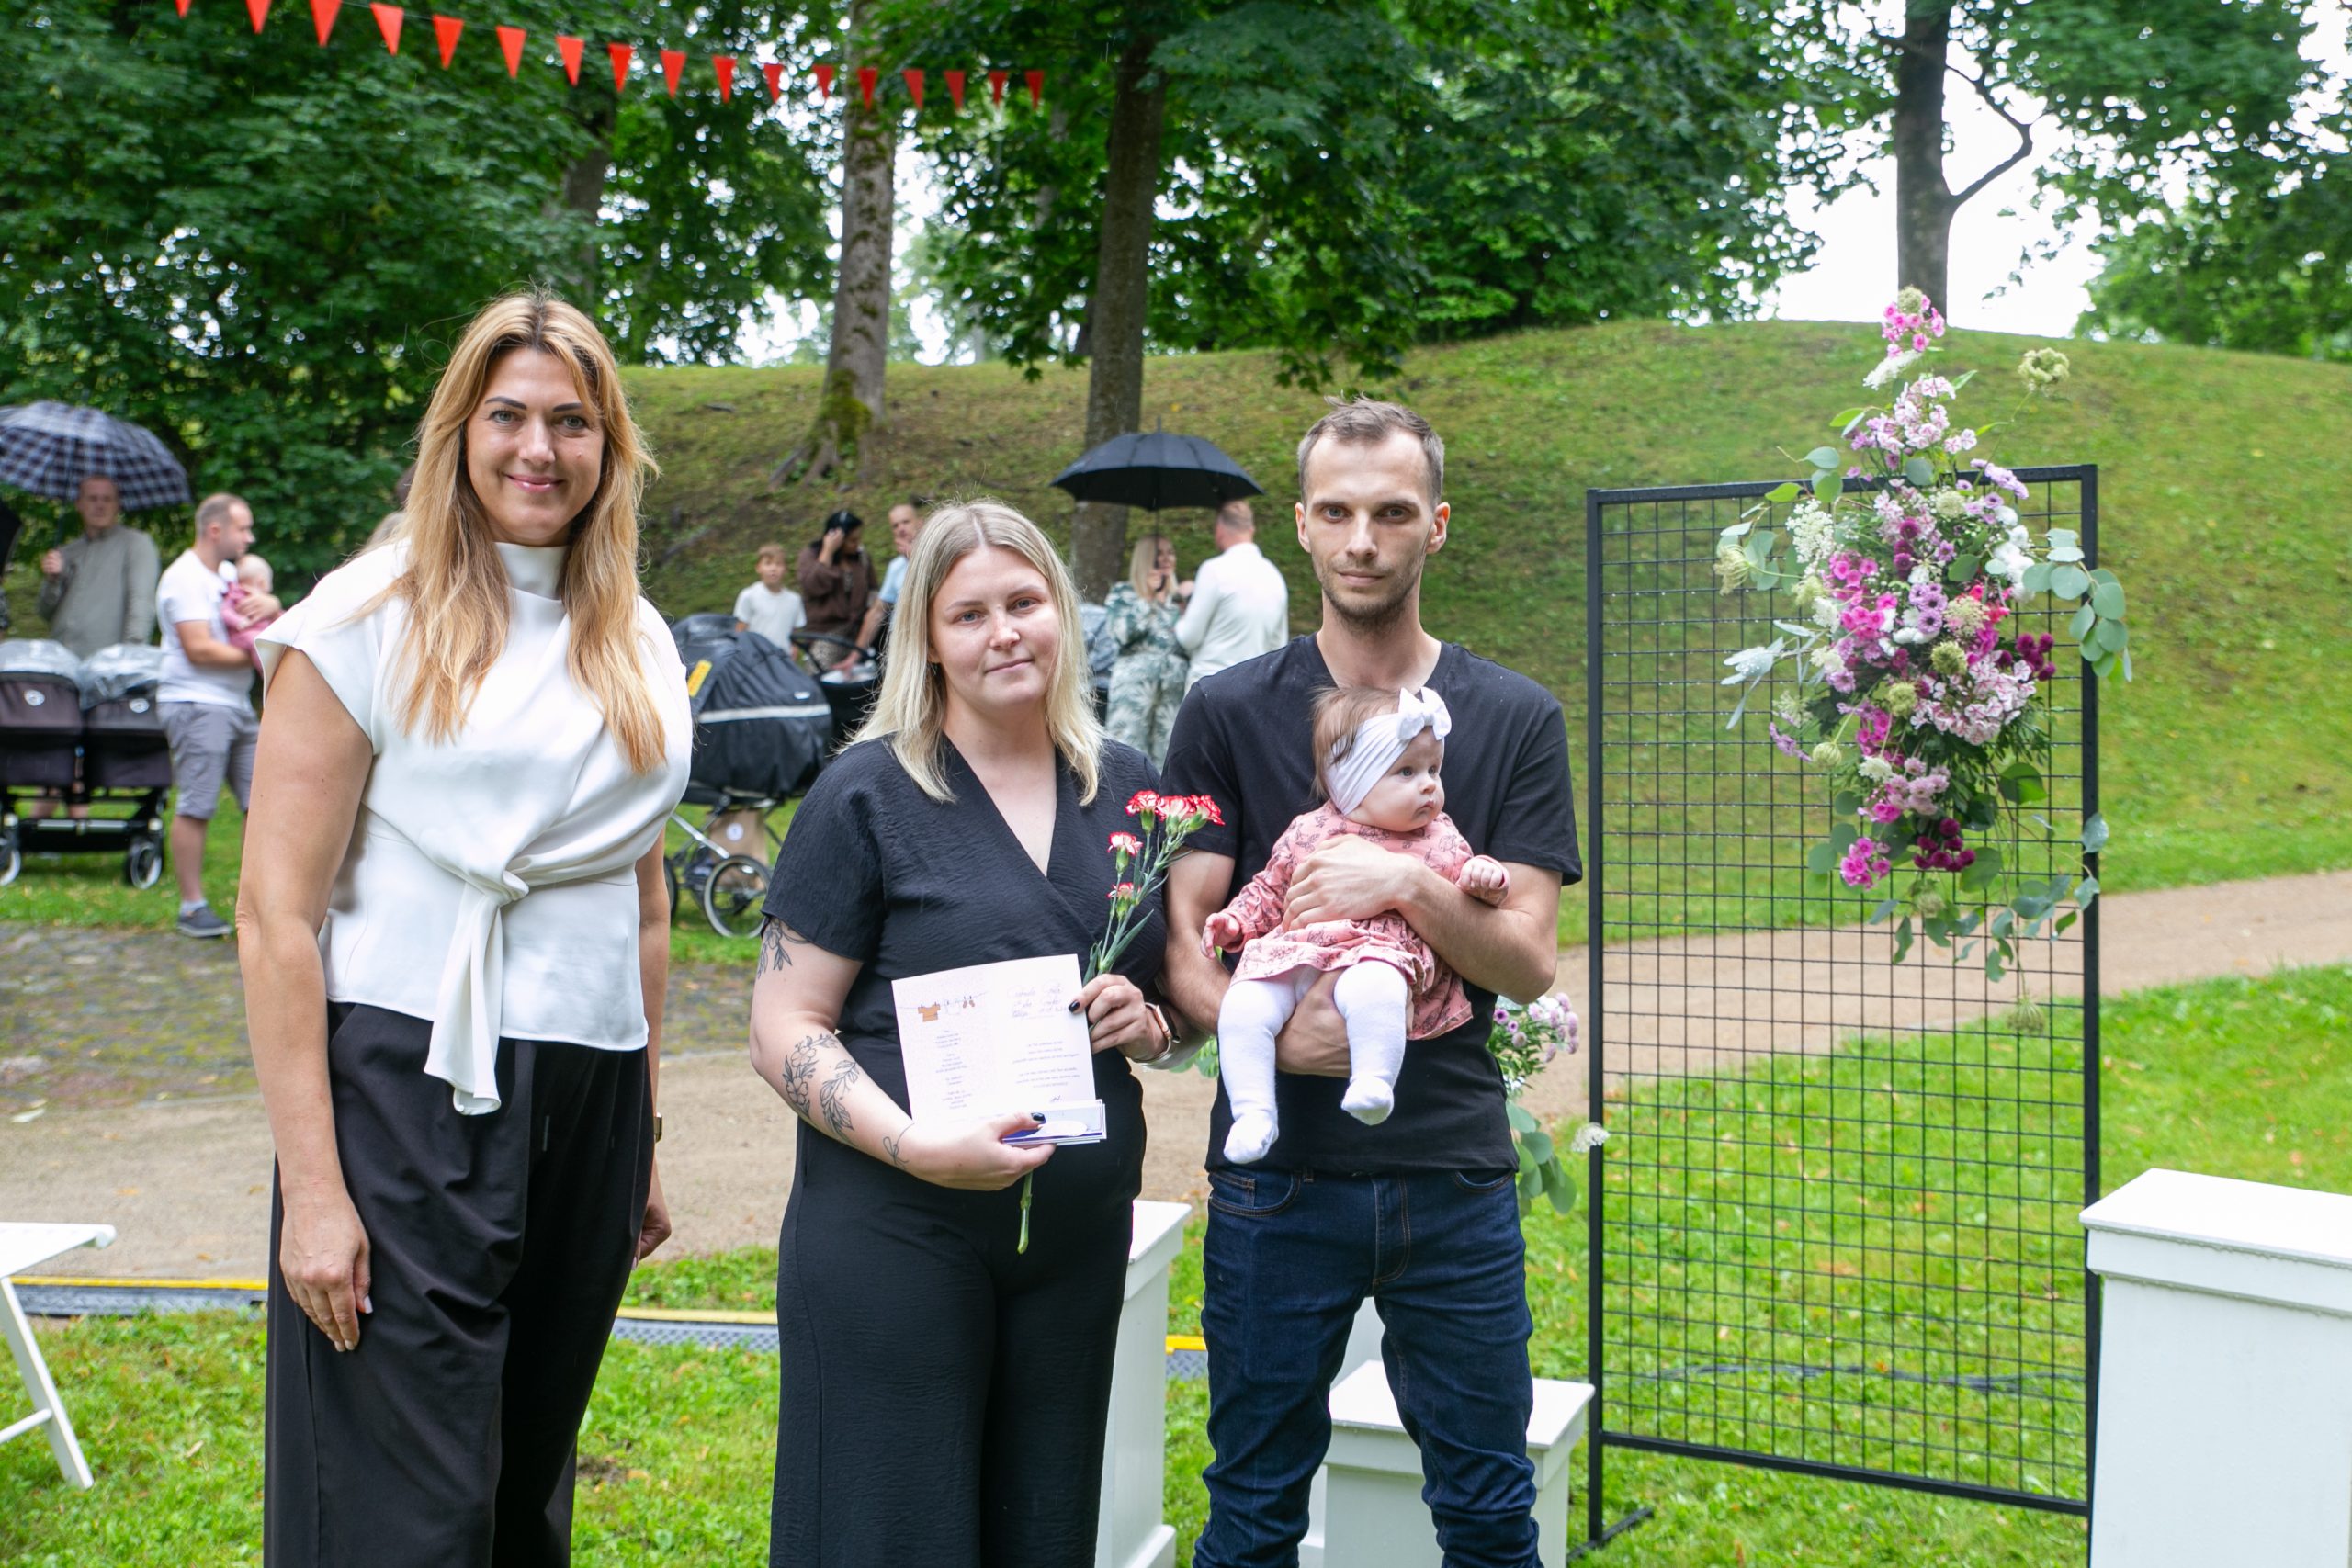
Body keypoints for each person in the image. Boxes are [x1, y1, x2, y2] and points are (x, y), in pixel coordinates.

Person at [237, 292, 690, 1567]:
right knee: (407, 1512)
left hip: (590, 1089)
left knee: (523, 1489)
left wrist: (644, 1135)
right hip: (411, 1082)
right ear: (459, 432)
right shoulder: (362, 619)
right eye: (507, 416)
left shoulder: (635, 636)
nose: (538, 449)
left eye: (571, 422)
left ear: (609, 447)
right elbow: (274, 916)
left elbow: (646, 904)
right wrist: (314, 1191)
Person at [1159, 399, 1580, 1568]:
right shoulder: (1227, 710)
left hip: (1452, 1173)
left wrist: (1401, 882)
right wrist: (1265, 1038)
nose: (1361, 541)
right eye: (1336, 512)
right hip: (1276, 1182)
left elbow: (1527, 957)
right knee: (1251, 1514)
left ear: (1435, 525)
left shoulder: (1513, 717)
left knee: (1489, 1515)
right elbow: (1186, 943)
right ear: (1299, 525)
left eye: (1392, 513)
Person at [750, 499, 1181, 1566]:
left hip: (1071, 1247)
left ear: (1062, 611)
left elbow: (1174, 1006)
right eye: (969, 615)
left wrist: (1149, 1021)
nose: (1004, 634)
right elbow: (782, 1023)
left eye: (1024, 603)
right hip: (897, 1232)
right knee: (895, 1533)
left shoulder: (1127, 787)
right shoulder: (866, 793)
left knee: (1043, 1532)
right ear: (928, 642)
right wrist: (911, 1146)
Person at [1203, 684, 1511, 1162]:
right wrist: (1236, 921)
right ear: (1351, 781)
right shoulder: (1307, 830)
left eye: (1433, 770)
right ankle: (1253, 1114)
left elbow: (1465, 892)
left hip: (1376, 955)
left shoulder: (1440, 838)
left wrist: (1485, 877)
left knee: (1376, 988)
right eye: (1406, 771)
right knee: (1242, 1007)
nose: (1428, 785)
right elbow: (1270, 887)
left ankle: (1373, 1081)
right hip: (1295, 954)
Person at [156, 493, 265, 939]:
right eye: (243, 528)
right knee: (198, 804)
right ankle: (192, 906)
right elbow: (199, 649)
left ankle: (258, 903)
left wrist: (271, 605)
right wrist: (264, 655)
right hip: (196, 702)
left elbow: (259, 610)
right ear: (215, 530)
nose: (249, 537)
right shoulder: (182, 578)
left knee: (262, 803)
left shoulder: (227, 575)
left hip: (236, 705)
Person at [38, 473, 160, 658]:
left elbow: (141, 604)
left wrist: (130, 657)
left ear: (118, 505)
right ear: (79, 504)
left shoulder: (136, 544)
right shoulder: (67, 552)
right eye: (92, 499)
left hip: (106, 662)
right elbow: (44, 613)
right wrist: (53, 580)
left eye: (107, 499)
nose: (100, 505)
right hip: (61, 658)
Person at [1174, 498, 1288, 690]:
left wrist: (1182, 615)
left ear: (1219, 530)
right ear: (1251, 529)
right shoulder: (1274, 577)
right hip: (1252, 688)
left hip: (1209, 686)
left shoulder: (1213, 570)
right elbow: (1278, 646)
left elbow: (1188, 638)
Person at [1101, 531, 1189, 766]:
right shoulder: (1124, 593)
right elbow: (1120, 634)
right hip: (1134, 686)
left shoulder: (1179, 600)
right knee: (1126, 748)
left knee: (1169, 753)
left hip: (1174, 687)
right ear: (1145, 558)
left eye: (1170, 553)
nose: (1167, 558)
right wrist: (1148, 599)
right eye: (1159, 554)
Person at [796, 507, 874, 661]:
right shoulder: (810, 556)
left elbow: (873, 588)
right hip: (826, 633)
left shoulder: (861, 559)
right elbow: (812, 586)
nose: (857, 544)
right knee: (822, 667)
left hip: (858, 630)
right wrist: (827, 553)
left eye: (859, 539)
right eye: (852, 541)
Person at [853, 498, 925, 653]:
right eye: (895, 525)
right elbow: (878, 611)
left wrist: (914, 557)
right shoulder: (895, 567)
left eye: (906, 522)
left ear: (920, 523)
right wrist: (855, 654)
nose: (901, 529)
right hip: (900, 645)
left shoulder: (939, 556)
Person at [733, 542, 807, 649]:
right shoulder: (748, 596)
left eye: (778, 564)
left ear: (785, 569)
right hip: (756, 655)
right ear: (758, 568)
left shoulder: (794, 600)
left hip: (783, 656)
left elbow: (795, 632)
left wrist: (793, 649)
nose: (773, 568)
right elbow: (740, 630)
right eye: (768, 563)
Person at [221, 551, 284, 669]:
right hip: (242, 634)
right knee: (257, 641)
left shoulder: (264, 599)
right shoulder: (236, 594)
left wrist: (276, 611)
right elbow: (225, 612)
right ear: (262, 582)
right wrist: (238, 621)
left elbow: (279, 619)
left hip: (261, 633)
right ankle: (266, 671)